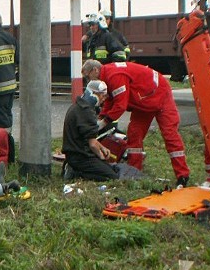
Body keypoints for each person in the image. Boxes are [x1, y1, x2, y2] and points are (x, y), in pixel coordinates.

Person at [81, 59, 191, 187]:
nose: (89, 81)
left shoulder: (114, 76)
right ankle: (134, 171)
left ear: (95, 70)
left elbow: (120, 105)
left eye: (88, 77)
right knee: (134, 135)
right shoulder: (107, 77)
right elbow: (111, 100)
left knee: (170, 134)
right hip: (145, 100)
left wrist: (104, 122)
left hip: (159, 94)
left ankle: (183, 175)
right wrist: (101, 118)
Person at [62, 80, 119, 181]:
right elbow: (92, 144)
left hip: (73, 153)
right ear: (94, 94)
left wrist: (102, 147)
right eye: (103, 95)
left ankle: (73, 167)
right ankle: (76, 172)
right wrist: (101, 157)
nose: (104, 99)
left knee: (109, 169)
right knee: (112, 176)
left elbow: (89, 137)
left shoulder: (77, 106)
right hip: (81, 157)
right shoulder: (87, 111)